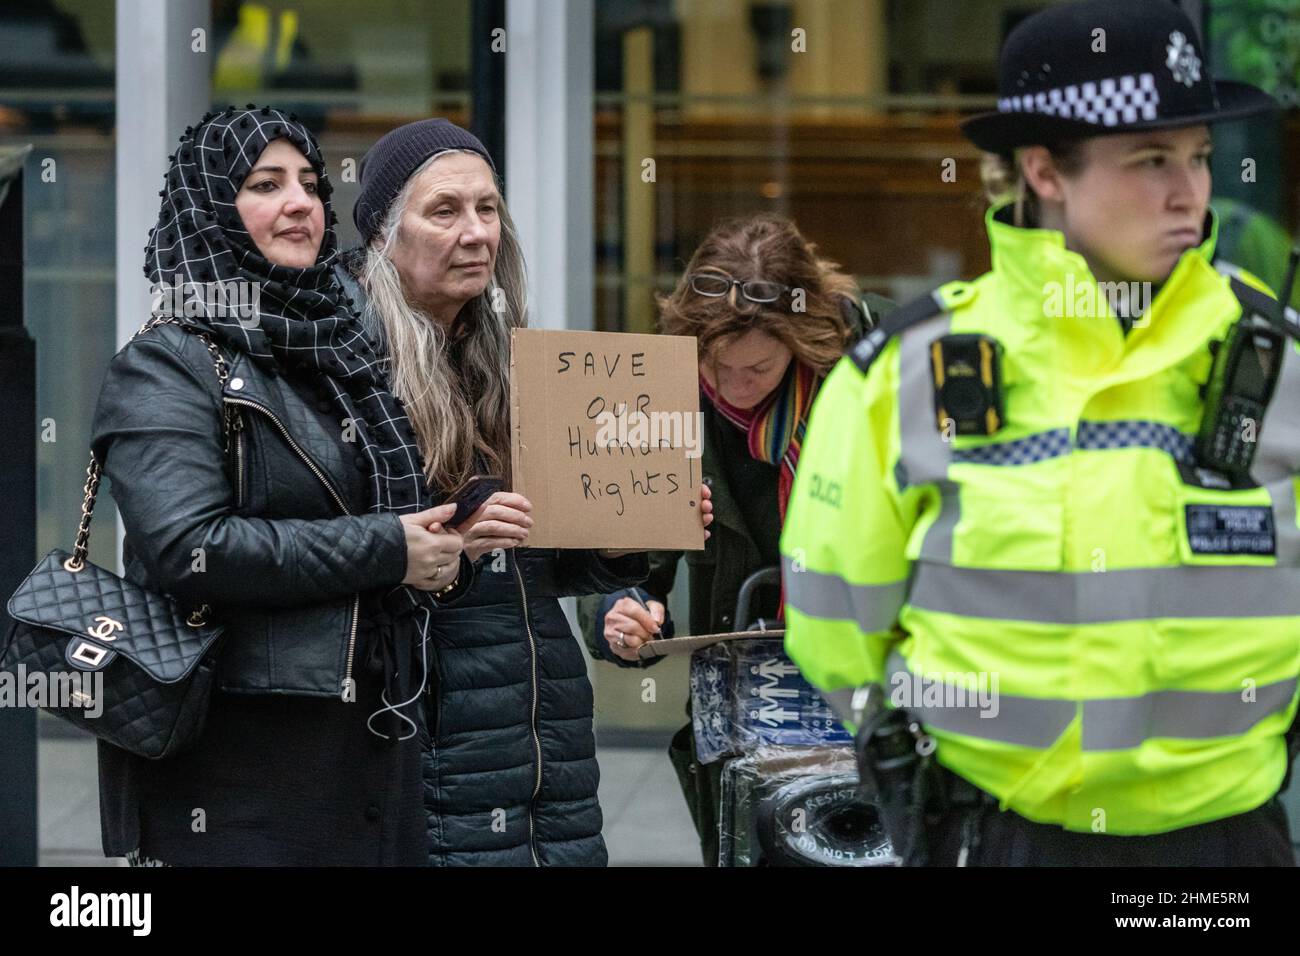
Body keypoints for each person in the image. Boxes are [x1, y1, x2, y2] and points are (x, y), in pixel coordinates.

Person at [782, 0, 1298, 867]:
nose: (1189, 192)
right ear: (1045, 173)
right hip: (997, 834)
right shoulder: (908, 370)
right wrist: (909, 769)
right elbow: (833, 611)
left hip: (1231, 849)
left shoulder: (1277, 361)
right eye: (1150, 160)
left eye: (1200, 158)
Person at [91, 106, 471, 866]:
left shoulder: (340, 349)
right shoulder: (167, 363)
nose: (301, 202)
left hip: (372, 749)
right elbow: (186, 547)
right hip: (240, 770)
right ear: (209, 211)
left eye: (308, 183)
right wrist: (387, 548)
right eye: (265, 185)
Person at [340, 118, 711, 866]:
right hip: (432, 746)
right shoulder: (347, 373)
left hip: (549, 737)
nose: (477, 232)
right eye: (444, 211)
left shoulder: (519, 362)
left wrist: (622, 542)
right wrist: (449, 551)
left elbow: (541, 560)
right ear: (383, 232)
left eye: (487, 209)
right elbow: (327, 562)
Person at [580, 213, 891, 865]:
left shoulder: (882, 365)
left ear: (804, 342)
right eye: (717, 367)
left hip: (875, 693)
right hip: (740, 709)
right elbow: (615, 561)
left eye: (759, 367)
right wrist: (622, 610)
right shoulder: (659, 391)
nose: (735, 388)